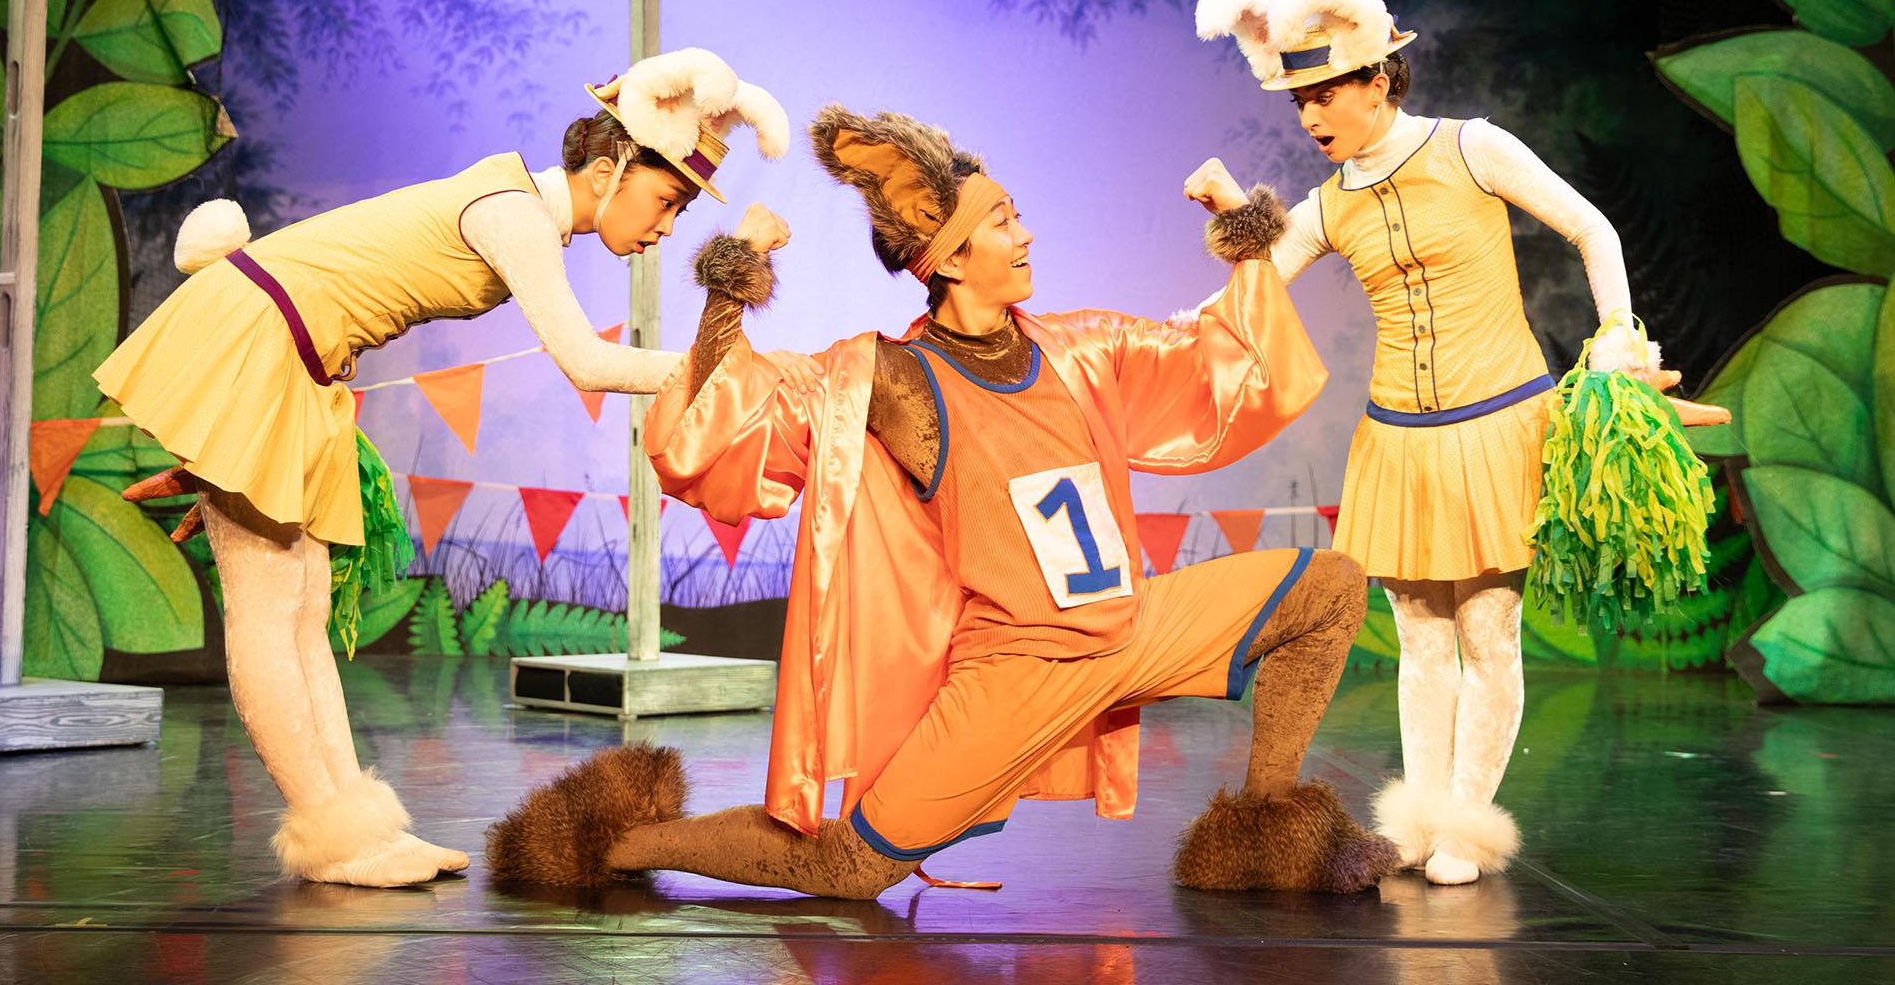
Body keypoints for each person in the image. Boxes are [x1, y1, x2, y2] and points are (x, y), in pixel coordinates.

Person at [485, 103, 1403, 898]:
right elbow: (717, 428)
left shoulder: (1081, 349)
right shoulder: (889, 379)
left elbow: (1224, 363)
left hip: (1137, 625)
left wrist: (1243, 229)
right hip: (1019, 668)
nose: (1027, 234)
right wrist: (731, 285)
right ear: (952, 259)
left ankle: (1263, 833)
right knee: (848, 865)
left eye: (1018, 215)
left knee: (1327, 587)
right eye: (1005, 222)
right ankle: (616, 842)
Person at [95, 48, 807, 888]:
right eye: (665, 201)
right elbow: (584, 361)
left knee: (304, 603)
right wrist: (729, 372)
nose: (664, 227)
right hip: (255, 338)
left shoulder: (517, 205)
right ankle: (335, 845)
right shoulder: (514, 213)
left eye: (680, 211)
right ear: (608, 169)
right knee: (269, 602)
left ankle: (354, 830)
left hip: (293, 356)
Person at [1193, 0, 1717, 885]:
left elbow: (1595, 231)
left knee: (1487, 630)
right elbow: (1238, 300)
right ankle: (1419, 824)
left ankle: (1467, 827)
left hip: (1496, 422)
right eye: (1298, 99)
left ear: (1377, 80)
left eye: (1324, 93)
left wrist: (1620, 345)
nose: (1311, 115)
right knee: (1422, 639)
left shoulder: (1471, 148)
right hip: (1399, 439)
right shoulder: (1329, 205)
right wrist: (1221, 234)